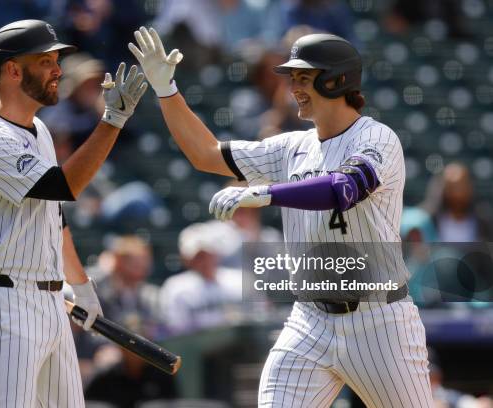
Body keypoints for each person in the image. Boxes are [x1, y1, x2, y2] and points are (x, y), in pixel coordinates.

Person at [129, 28, 434, 407]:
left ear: (336, 80)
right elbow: (205, 154)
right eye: (293, 78)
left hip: (379, 321)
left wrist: (266, 193)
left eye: (304, 77)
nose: (293, 88)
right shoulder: (293, 146)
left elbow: (343, 188)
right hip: (309, 321)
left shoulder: (377, 137)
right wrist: (167, 91)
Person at [0, 19, 147, 407]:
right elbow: (62, 187)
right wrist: (113, 121)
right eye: (45, 61)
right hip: (1, 305)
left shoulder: (39, 131)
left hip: (52, 301)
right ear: (12, 70)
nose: (57, 69)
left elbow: (54, 217)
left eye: (56, 60)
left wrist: (83, 284)